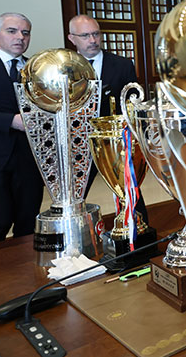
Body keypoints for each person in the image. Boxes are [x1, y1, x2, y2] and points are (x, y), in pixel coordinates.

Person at [68, 14, 148, 222]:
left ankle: (139, 230)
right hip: (80, 141)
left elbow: (134, 104)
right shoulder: (66, 68)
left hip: (115, 142)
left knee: (129, 190)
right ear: (72, 38)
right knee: (75, 195)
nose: (92, 40)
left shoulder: (122, 65)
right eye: (85, 35)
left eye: (96, 34)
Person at [0, 13, 44, 241]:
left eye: (25, 33)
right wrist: (10, 121)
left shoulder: (36, 68)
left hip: (29, 159)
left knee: (28, 222)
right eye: (12, 31)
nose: (20, 37)